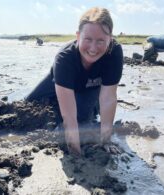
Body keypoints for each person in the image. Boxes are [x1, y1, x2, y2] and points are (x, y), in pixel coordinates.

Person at [26, 7, 123, 155]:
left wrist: (105, 141)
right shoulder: (64, 58)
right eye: (88, 39)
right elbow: (69, 116)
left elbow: (108, 98)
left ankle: (92, 109)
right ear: (78, 36)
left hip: (91, 85)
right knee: (27, 108)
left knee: (82, 120)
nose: (93, 48)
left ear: (110, 38)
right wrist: (75, 151)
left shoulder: (114, 53)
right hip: (59, 83)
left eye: (101, 41)